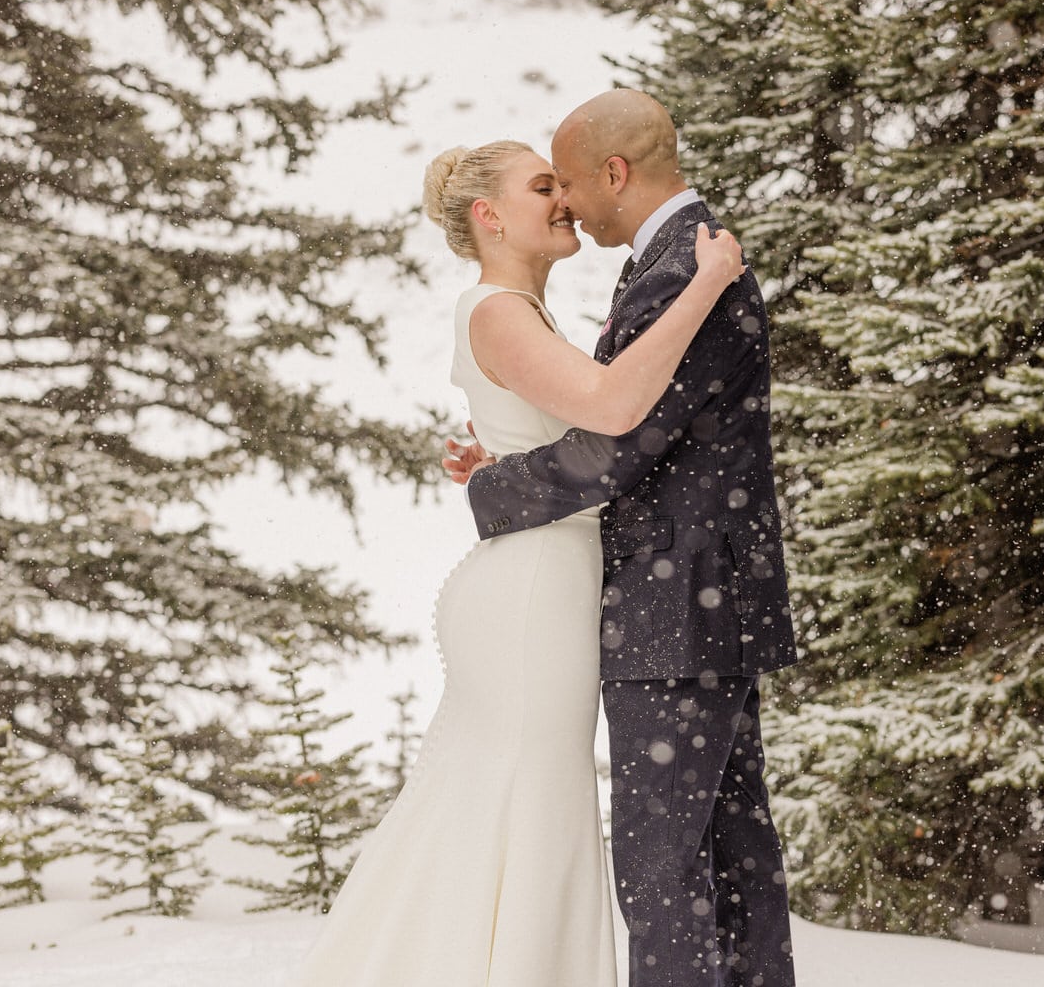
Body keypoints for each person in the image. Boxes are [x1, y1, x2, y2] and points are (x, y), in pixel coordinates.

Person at [283, 138, 746, 987]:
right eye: (543, 187)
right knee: (532, 803)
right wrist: (706, 284)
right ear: (488, 217)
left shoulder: (516, 312)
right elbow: (612, 408)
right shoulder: (496, 308)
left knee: (502, 803)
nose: (565, 198)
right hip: (533, 592)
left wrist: (501, 461)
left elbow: (568, 429)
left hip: (540, 578)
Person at [446, 90, 799, 987]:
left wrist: (496, 483)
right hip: (693, 601)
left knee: (666, 865)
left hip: (677, 606)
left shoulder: (688, 266)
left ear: (613, 173)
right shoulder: (683, 259)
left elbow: (619, 444)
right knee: (721, 851)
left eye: (567, 182)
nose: (564, 202)